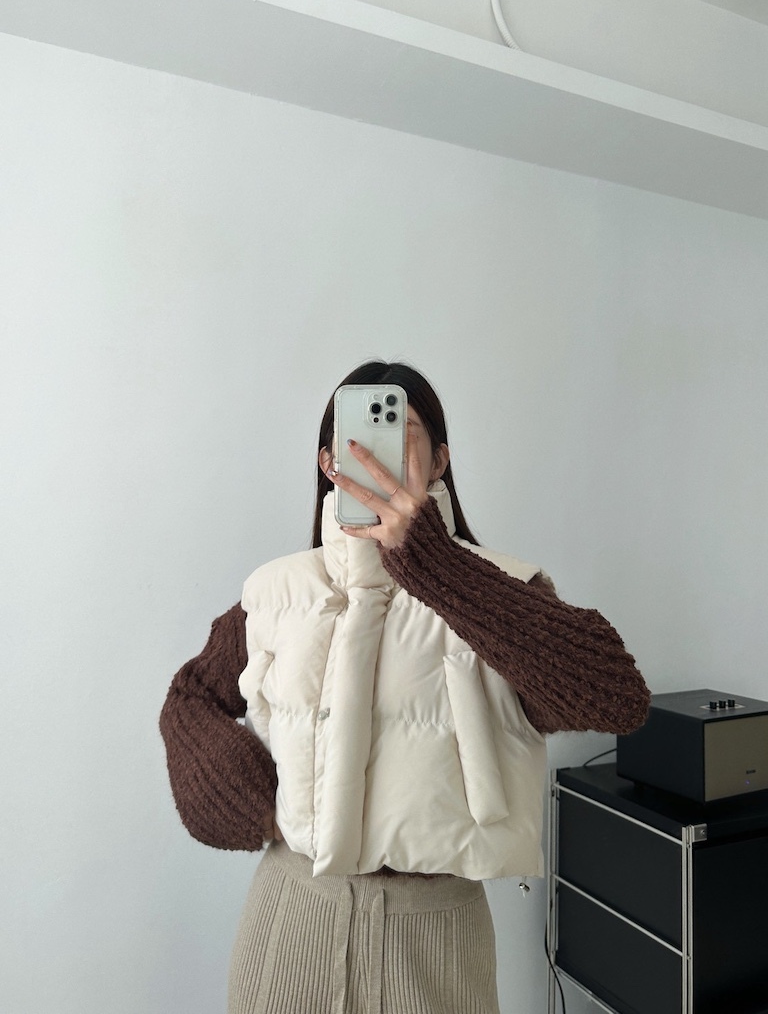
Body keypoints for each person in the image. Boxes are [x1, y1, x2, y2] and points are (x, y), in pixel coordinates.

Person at [160, 360, 650, 1014]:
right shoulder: (278, 592)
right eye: (352, 440)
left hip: (436, 942)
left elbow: (617, 697)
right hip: (291, 922)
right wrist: (243, 797)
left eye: (398, 435)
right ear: (328, 462)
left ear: (440, 460)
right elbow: (190, 697)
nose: (373, 455)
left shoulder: (503, 590)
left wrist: (434, 562)